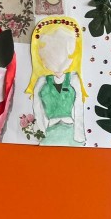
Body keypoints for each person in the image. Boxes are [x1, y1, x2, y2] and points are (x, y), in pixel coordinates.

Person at [25, 17, 87, 146]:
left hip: (71, 131)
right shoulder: (41, 82)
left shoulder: (73, 79)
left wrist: (79, 134)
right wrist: (41, 131)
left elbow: (79, 107)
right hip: (50, 131)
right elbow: (37, 107)